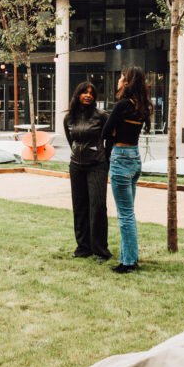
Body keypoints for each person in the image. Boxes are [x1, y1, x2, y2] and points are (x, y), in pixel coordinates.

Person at [102, 67, 149, 274]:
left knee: (125, 215)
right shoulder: (142, 107)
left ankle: (129, 262)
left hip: (120, 158)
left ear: (127, 82)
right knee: (128, 212)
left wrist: (113, 132)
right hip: (135, 158)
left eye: (121, 78)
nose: (119, 80)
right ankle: (127, 257)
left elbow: (106, 131)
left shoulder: (121, 105)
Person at [63, 81, 110, 261]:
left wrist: (103, 156)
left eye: (91, 92)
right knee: (79, 207)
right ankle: (83, 247)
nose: (88, 95)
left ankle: (100, 250)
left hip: (97, 165)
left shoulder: (101, 116)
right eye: (84, 92)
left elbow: (108, 139)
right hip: (76, 166)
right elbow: (71, 140)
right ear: (78, 94)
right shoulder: (69, 118)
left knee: (97, 206)